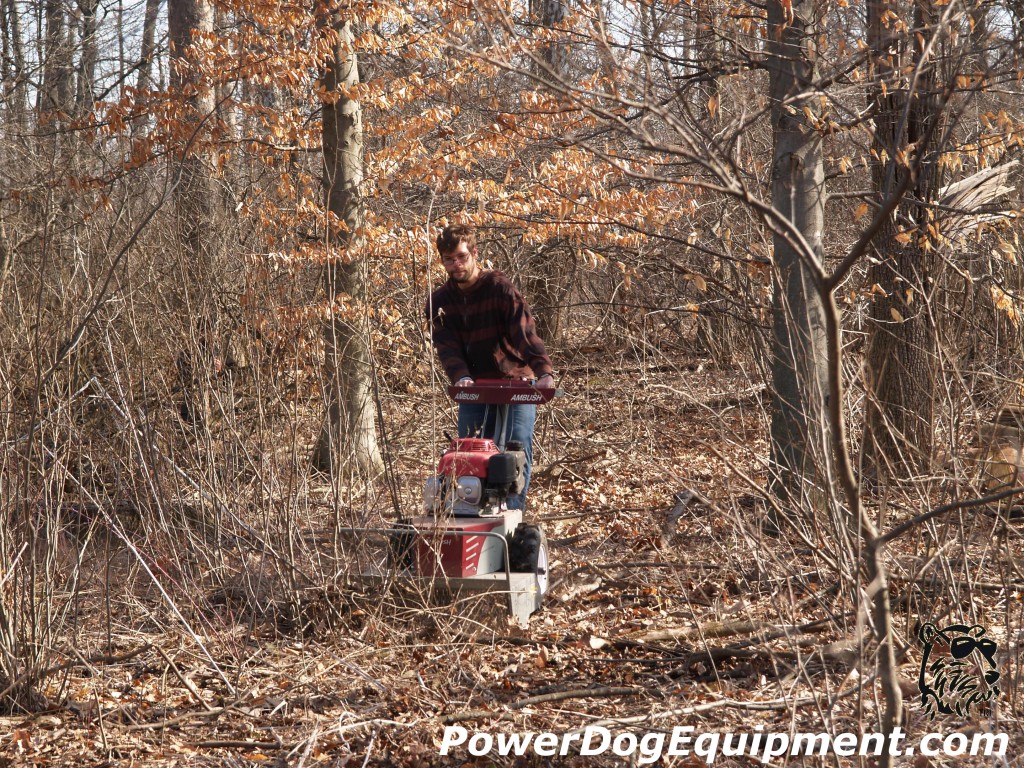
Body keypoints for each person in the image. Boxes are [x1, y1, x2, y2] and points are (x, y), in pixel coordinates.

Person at [426, 224, 554, 510]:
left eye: (461, 257)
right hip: (475, 386)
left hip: (516, 381)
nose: (455, 264)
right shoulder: (439, 302)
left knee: (515, 447)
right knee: (468, 449)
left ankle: (512, 519)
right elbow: (448, 349)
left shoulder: (499, 289)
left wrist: (544, 371)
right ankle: (474, 512)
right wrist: (461, 377)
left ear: (474, 253)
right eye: (449, 259)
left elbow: (525, 334)